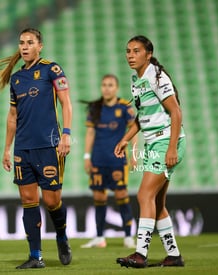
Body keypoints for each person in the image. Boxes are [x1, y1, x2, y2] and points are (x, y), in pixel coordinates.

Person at [0, 28, 73, 269]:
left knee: (52, 201)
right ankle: (36, 256)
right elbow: (13, 115)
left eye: (29, 42)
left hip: (48, 145)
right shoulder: (16, 79)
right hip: (22, 148)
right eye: (21, 43)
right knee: (27, 199)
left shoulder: (51, 69)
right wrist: (6, 148)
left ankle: (62, 236)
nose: (24, 46)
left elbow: (66, 102)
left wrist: (66, 134)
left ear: (40, 46)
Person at [114, 35, 186, 268]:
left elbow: (176, 112)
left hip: (166, 142)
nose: (130, 55)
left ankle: (140, 254)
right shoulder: (137, 80)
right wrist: (125, 138)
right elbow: (142, 117)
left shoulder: (157, 76)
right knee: (157, 202)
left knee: (144, 195)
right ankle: (173, 256)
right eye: (128, 51)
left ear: (148, 54)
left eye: (136, 51)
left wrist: (172, 147)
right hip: (154, 144)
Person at [80, 74, 138, 249]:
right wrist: (86, 156)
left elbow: (134, 129)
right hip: (98, 159)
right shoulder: (95, 108)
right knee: (99, 196)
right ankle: (99, 237)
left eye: (110, 85)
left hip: (117, 160)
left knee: (121, 194)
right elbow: (90, 133)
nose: (106, 88)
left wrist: (134, 154)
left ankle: (128, 236)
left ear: (116, 88)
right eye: (104, 85)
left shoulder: (125, 107)